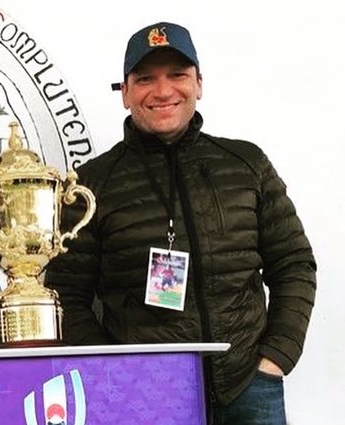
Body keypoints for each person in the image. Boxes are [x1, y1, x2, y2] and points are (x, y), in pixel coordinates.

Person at [45, 22, 316, 424]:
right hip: (144, 399)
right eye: (145, 79)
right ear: (125, 93)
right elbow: (65, 292)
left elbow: (294, 264)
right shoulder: (91, 185)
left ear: (199, 84)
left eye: (178, 75)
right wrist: (114, 373)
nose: (163, 91)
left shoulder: (247, 164)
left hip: (249, 388)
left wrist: (275, 357)